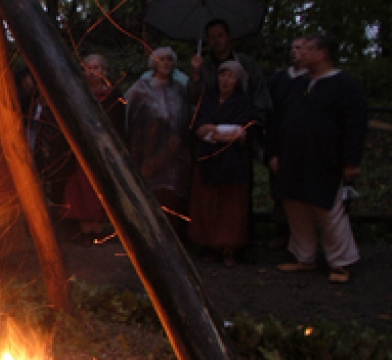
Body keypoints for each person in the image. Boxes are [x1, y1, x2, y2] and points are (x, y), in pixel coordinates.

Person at [269, 33, 367, 283]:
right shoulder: (299, 84)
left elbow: (355, 125)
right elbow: (280, 120)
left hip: (325, 159)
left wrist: (351, 161)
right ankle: (305, 257)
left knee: (328, 209)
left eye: (309, 49)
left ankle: (340, 262)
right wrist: (275, 152)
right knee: (295, 206)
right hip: (293, 158)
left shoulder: (344, 86)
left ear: (322, 53)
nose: (301, 53)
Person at [188, 61, 258, 266]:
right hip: (208, 160)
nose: (225, 80)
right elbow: (198, 127)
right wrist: (214, 131)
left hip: (232, 162)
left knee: (231, 206)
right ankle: (209, 245)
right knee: (208, 204)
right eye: (222, 75)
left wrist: (218, 132)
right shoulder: (208, 99)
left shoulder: (243, 101)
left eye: (230, 76)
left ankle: (229, 248)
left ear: (238, 80)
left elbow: (244, 132)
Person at [125, 46, 191, 229]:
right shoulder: (141, 88)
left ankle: (175, 234)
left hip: (174, 151)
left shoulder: (180, 88)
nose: (166, 63)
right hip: (148, 150)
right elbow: (133, 120)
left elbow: (186, 118)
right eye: (162, 59)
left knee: (173, 194)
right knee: (150, 192)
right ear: (154, 62)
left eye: (170, 59)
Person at [62, 55, 125, 241]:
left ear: (104, 72)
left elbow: (118, 124)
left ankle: (99, 229)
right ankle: (84, 229)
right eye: (89, 68)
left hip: (104, 149)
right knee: (81, 187)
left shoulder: (113, 96)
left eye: (97, 67)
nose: (92, 72)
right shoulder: (77, 93)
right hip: (81, 148)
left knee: (101, 186)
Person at [264, 37, 308, 249]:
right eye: (293, 47)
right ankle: (283, 235)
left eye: (299, 48)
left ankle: (304, 241)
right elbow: (271, 117)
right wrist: (271, 152)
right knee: (280, 194)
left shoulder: (313, 81)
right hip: (281, 146)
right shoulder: (278, 80)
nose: (295, 52)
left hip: (305, 149)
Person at [188, 19, 269, 118]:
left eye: (220, 36)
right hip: (212, 125)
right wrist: (196, 75)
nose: (216, 40)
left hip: (243, 123)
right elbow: (194, 99)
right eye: (212, 37)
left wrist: (256, 122)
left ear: (228, 37)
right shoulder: (203, 67)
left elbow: (260, 97)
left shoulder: (247, 65)